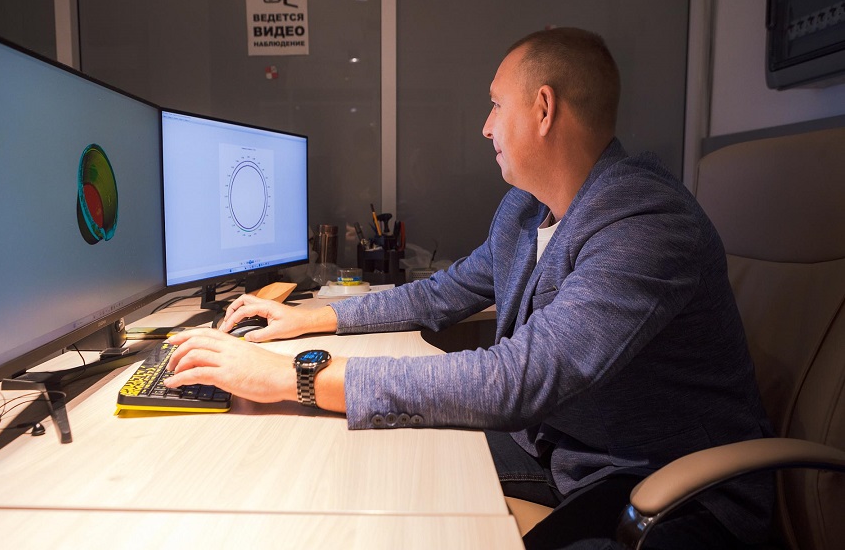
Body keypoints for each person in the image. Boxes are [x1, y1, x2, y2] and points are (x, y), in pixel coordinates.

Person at [165, 28, 773, 549]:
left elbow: (520, 378)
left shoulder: (645, 222)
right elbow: (439, 294)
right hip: (559, 448)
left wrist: (297, 376)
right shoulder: (525, 211)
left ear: (543, 109)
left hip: (663, 488)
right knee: (377, 459)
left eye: (495, 105)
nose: (485, 127)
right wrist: (314, 319)